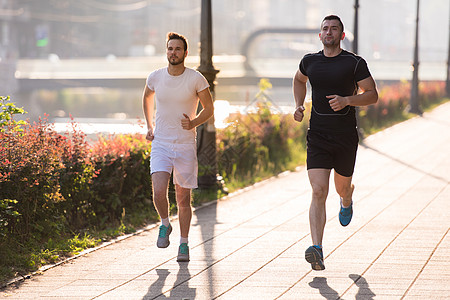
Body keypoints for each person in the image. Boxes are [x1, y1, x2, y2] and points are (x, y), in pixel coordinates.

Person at [292, 15, 378, 270]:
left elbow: (372, 94)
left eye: (334, 29)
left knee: (341, 188)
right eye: (325, 29)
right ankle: (317, 248)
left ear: (341, 35)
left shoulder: (354, 63)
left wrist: (347, 100)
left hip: (344, 138)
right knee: (318, 191)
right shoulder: (310, 61)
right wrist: (298, 105)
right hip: (317, 135)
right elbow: (298, 80)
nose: (328, 32)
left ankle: (347, 199)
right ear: (320, 35)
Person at [142, 32, 214, 262]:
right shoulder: (155, 77)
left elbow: (209, 109)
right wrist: (149, 126)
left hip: (184, 145)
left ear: (185, 53)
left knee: (183, 199)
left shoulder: (196, 79)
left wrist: (192, 122)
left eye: (177, 49)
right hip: (161, 143)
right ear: (167, 51)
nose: (173, 52)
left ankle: (184, 244)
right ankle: (165, 223)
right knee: (159, 191)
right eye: (170, 48)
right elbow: (146, 98)